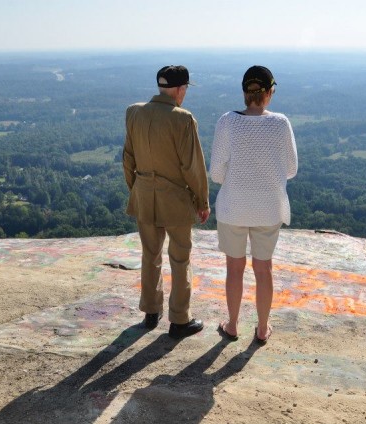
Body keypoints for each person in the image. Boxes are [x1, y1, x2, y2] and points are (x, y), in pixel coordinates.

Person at [209, 65, 298, 345]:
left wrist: (239, 180)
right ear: (269, 93)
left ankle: (233, 325)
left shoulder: (227, 122)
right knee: (264, 269)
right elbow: (292, 169)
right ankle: (261, 328)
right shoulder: (281, 123)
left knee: (234, 268)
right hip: (269, 207)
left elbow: (216, 173)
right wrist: (266, 178)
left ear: (245, 93)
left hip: (233, 207)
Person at [123, 65, 210, 339]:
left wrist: (137, 189)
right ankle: (180, 320)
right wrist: (202, 201)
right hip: (174, 199)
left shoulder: (134, 112)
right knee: (180, 258)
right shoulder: (183, 119)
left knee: (150, 255)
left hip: (144, 195)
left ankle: (150, 312)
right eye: (184, 88)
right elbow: (192, 167)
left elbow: (128, 158)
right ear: (179, 89)